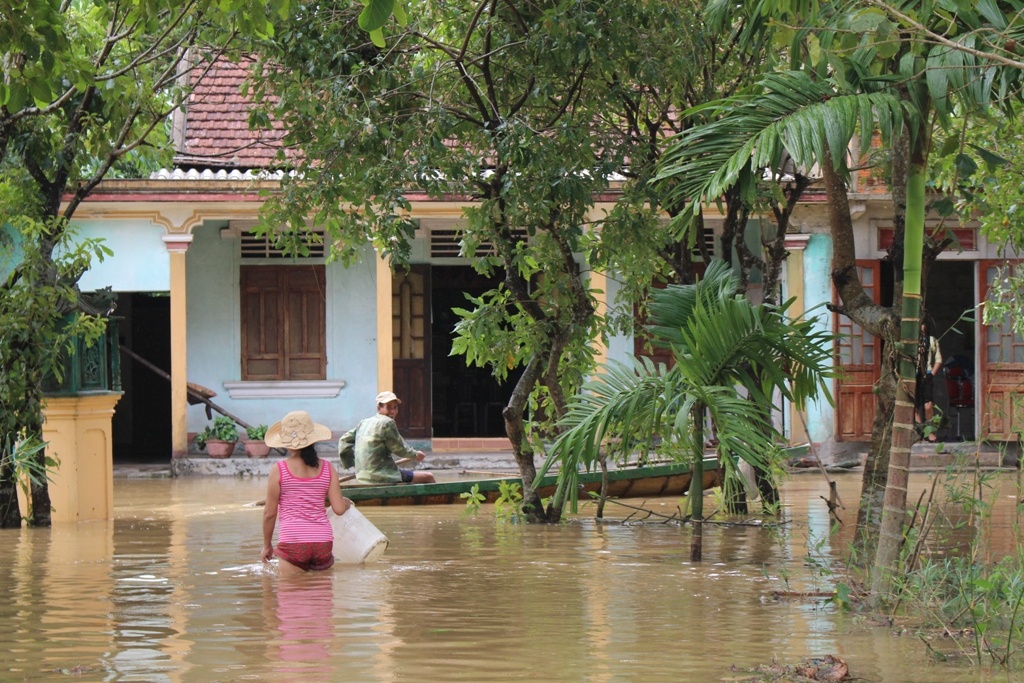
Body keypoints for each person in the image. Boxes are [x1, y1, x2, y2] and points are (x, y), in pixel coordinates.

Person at [262, 410, 351, 575]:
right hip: (322, 543)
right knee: (320, 597)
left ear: (286, 443)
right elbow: (338, 509)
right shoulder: (328, 468)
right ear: (313, 440)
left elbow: (269, 514)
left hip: (293, 542)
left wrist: (267, 545)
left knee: (291, 596)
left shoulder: (279, 470)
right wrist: (346, 502)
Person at [338, 391, 436, 484]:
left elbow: (343, 440)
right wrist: (415, 454)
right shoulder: (387, 422)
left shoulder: (364, 422)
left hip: (362, 476)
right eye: (389, 407)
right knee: (428, 476)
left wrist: (354, 465)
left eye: (395, 408)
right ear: (379, 408)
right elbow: (400, 449)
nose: (393, 412)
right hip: (383, 476)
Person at [916, 322, 944, 442]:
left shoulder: (932, 340)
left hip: (926, 374)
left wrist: (931, 374)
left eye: (922, 323)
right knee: (915, 406)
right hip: (913, 374)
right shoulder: (910, 341)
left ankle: (930, 432)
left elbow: (938, 360)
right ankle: (919, 434)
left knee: (928, 405)